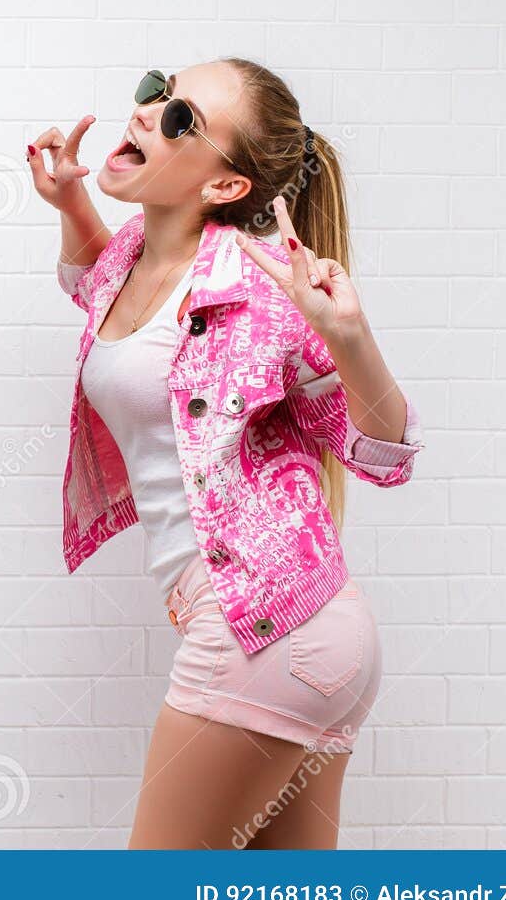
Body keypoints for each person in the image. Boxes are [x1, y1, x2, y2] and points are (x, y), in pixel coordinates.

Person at [28, 59, 423, 848]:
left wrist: (349, 337)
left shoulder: (263, 290)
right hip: (306, 635)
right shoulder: (137, 252)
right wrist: (71, 200)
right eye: (157, 91)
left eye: (180, 120)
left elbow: (386, 456)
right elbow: (100, 292)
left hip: (266, 632)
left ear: (224, 187)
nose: (147, 114)